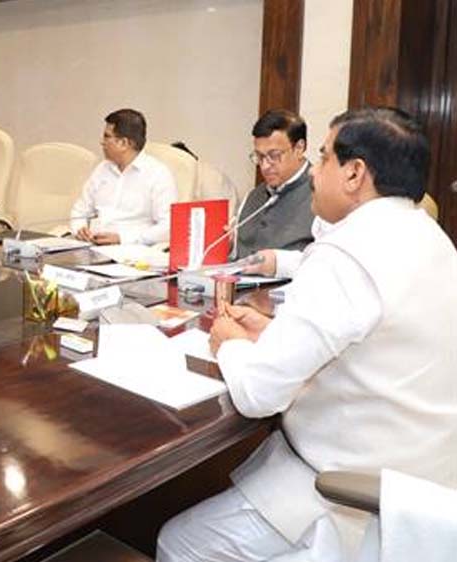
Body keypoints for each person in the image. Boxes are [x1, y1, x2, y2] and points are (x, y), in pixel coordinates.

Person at [157, 107, 457, 562]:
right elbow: (367, 343)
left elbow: (258, 394)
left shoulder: (347, 254)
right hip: (425, 479)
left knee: (178, 543)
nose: (314, 172)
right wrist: (273, 334)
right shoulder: (431, 237)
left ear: (354, 173)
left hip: (352, 494)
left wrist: (229, 342)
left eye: (323, 157)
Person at [70, 109, 177, 245]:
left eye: (107, 136)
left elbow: (168, 227)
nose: (102, 142)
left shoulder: (157, 174)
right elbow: (80, 210)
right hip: (91, 246)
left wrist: (122, 238)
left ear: (124, 143)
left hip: (131, 250)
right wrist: (80, 229)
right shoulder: (102, 169)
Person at [235, 110, 315, 259]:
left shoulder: (323, 193)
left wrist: (278, 264)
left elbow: (329, 261)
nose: (265, 166)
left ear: (299, 148)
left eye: (274, 156)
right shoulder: (253, 196)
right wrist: (230, 246)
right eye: (259, 156)